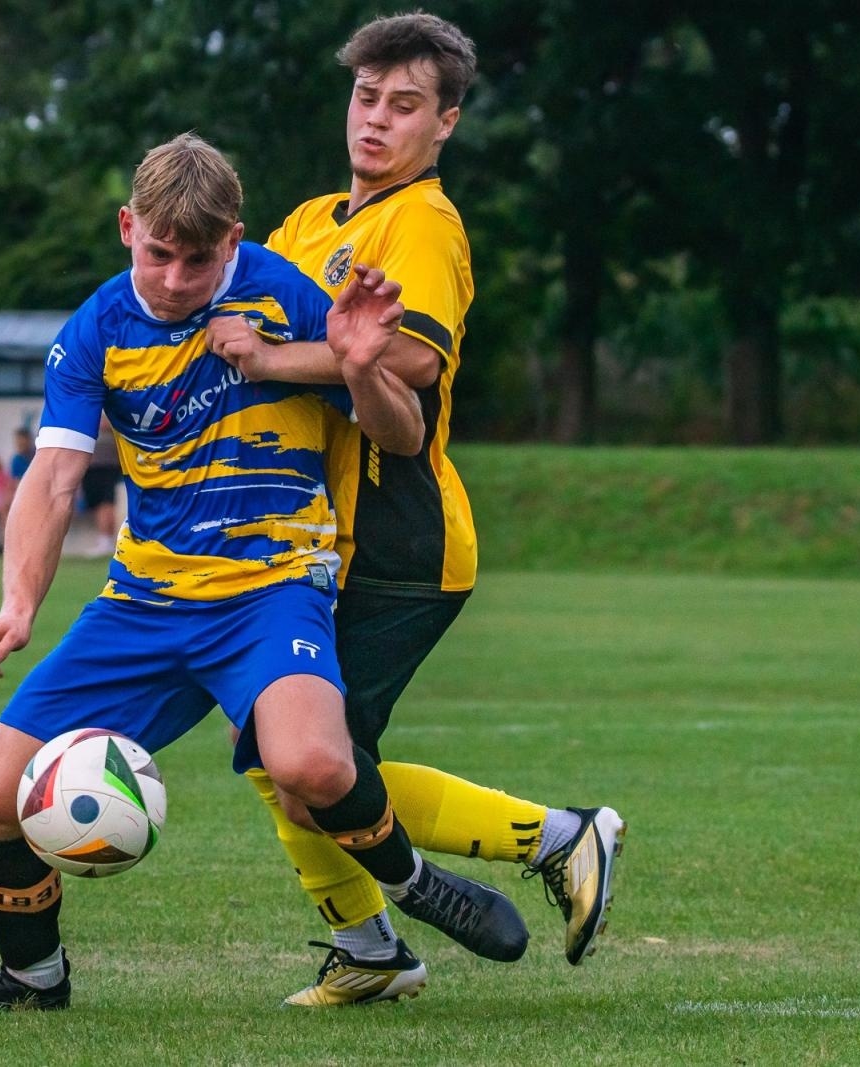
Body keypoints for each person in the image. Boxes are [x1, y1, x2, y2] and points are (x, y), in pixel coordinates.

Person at [0, 134, 526, 1015]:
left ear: (232, 241)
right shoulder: (95, 330)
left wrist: (357, 363)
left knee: (313, 764)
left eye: (199, 260)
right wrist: (16, 605)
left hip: (272, 591)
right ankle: (31, 979)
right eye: (158, 253)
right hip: (143, 603)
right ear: (128, 229)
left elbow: (401, 434)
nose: (174, 278)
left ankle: (419, 884)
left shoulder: (285, 294)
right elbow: (52, 476)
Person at [206, 13, 624, 1004]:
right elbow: (227, 333)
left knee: (311, 764)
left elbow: (408, 359)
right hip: (308, 537)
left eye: (404, 106)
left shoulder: (421, 220)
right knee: (293, 763)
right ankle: (372, 945)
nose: (377, 121)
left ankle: (553, 838)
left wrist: (268, 356)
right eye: (365, 98)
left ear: (445, 124)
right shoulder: (307, 223)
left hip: (398, 534)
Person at [78, 413, 123, 557]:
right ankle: (105, 540)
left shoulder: (113, 411)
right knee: (99, 505)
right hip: (92, 468)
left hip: (107, 467)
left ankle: (107, 541)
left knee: (106, 504)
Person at [0, 426, 35, 554]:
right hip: (20, 493)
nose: (19, 444)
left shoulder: (37, 457)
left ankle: (21, 543)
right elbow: (12, 481)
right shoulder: (16, 459)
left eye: (22, 440)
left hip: (34, 492)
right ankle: (8, 542)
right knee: (4, 507)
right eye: (17, 441)